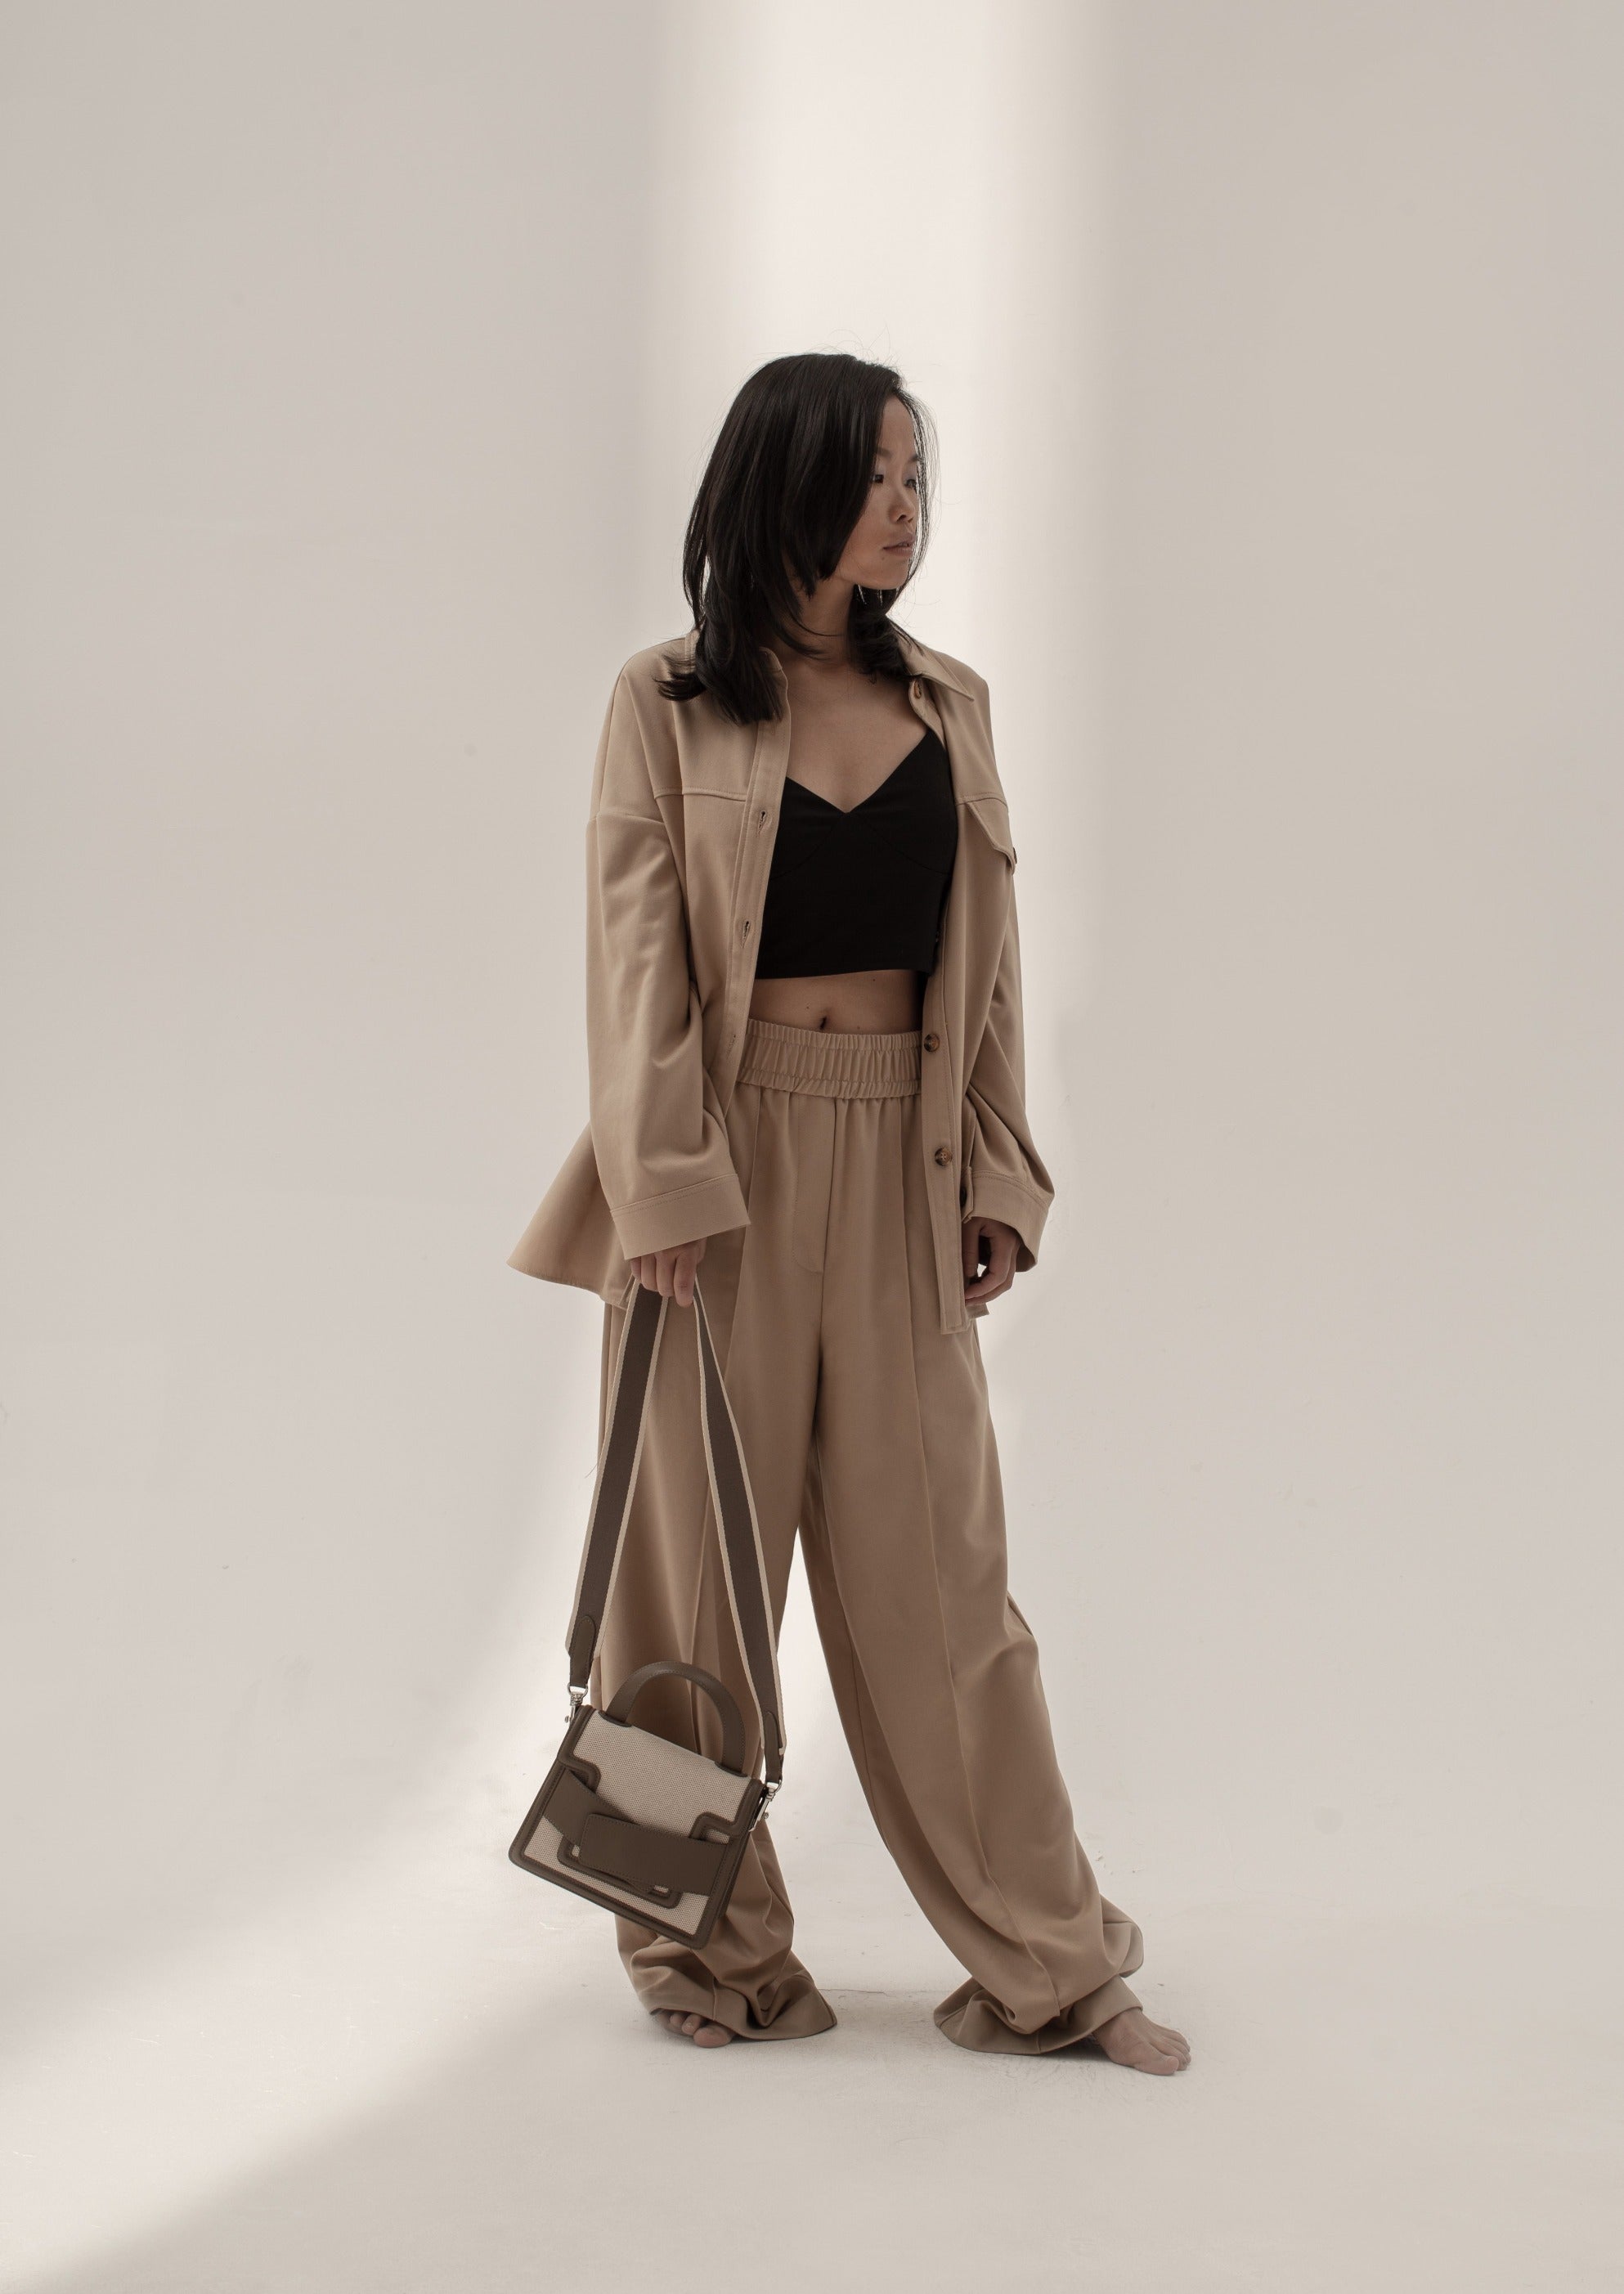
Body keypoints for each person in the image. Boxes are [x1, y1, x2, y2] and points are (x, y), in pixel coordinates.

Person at [507, 352, 1191, 2075]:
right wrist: (665, 1182)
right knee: (687, 1596)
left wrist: (999, 1174)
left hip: (902, 1165)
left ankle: (1052, 1964)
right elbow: (633, 963)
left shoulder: (951, 705)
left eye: (915, 474)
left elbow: (990, 973)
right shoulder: (664, 701)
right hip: (714, 1176)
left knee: (946, 1592)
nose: (905, 504)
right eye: (875, 473)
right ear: (788, 483)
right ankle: (702, 1953)